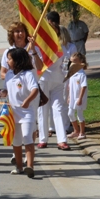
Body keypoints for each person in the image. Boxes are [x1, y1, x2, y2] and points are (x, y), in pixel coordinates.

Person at [3, 48, 39, 178]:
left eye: (10, 58)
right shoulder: (8, 74)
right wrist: (0, 93)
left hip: (26, 112)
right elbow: (6, 90)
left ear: (18, 60)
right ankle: (19, 167)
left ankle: (30, 166)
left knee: (27, 137)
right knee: (16, 140)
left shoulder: (28, 75)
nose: (7, 61)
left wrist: (28, 100)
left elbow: (34, 90)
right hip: (13, 113)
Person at [36, 14, 70, 150]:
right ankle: (43, 139)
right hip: (43, 79)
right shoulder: (40, 47)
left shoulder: (61, 47)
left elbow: (65, 63)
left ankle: (61, 139)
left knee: (58, 109)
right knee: (42, 109)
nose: (54, 34)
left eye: (55, 32)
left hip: (58, 81)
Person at [67, 52, 89, 140]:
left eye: (75, 61)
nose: (73, 63)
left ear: (81, 62)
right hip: (72, 98)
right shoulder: (72, 73)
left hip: (79, 98)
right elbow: (70, 86)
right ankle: (76, 131)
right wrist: (69, 96)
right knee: (70, 113)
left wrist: (80, 98)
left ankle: (82, 132)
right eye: (72, 61)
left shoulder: (81, 74)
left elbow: (84, 86)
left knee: (80, 115)